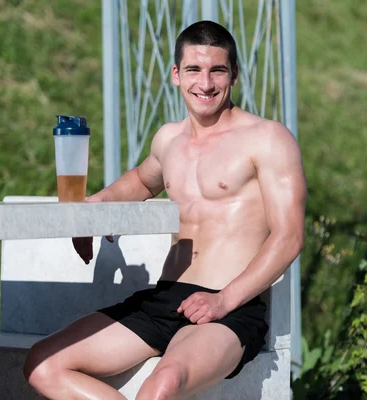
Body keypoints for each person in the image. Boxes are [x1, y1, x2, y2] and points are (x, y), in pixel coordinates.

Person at [23, 20, 306, 400]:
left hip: (229, 307)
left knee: (162, 387)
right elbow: (142, 181)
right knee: (43, 364)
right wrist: (92, 209)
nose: (205, 84)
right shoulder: (168, 139)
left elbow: (289, 236)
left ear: (234, 75)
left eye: (217, 71)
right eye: (193, 70)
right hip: (164, 299)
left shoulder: (268, 138)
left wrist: (224, 299)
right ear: (175, 74)